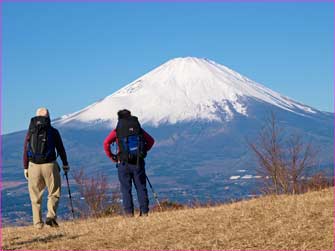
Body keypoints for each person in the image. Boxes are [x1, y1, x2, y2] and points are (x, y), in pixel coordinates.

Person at [23, 107, 69, 229]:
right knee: (54, 192)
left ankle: (38, 224)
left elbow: (25, 149)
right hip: (50, 165)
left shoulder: (31, 132)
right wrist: (65, 163)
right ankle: (50, 217)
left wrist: (25, 167)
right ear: (49, 117)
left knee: (35, 197)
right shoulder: (53, 131)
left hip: (33, 166)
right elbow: (61, 149)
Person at [103, 109, 155, 217]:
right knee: (141, 187)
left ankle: (129, 214)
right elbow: (151, 141)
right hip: (138, 162)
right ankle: (144, 212)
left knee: (126, 189)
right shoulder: (138, 129)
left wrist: (112, 157)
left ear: (119, 118)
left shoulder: (117, 130)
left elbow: (106, 143)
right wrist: (142, 152)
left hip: (123, 163)